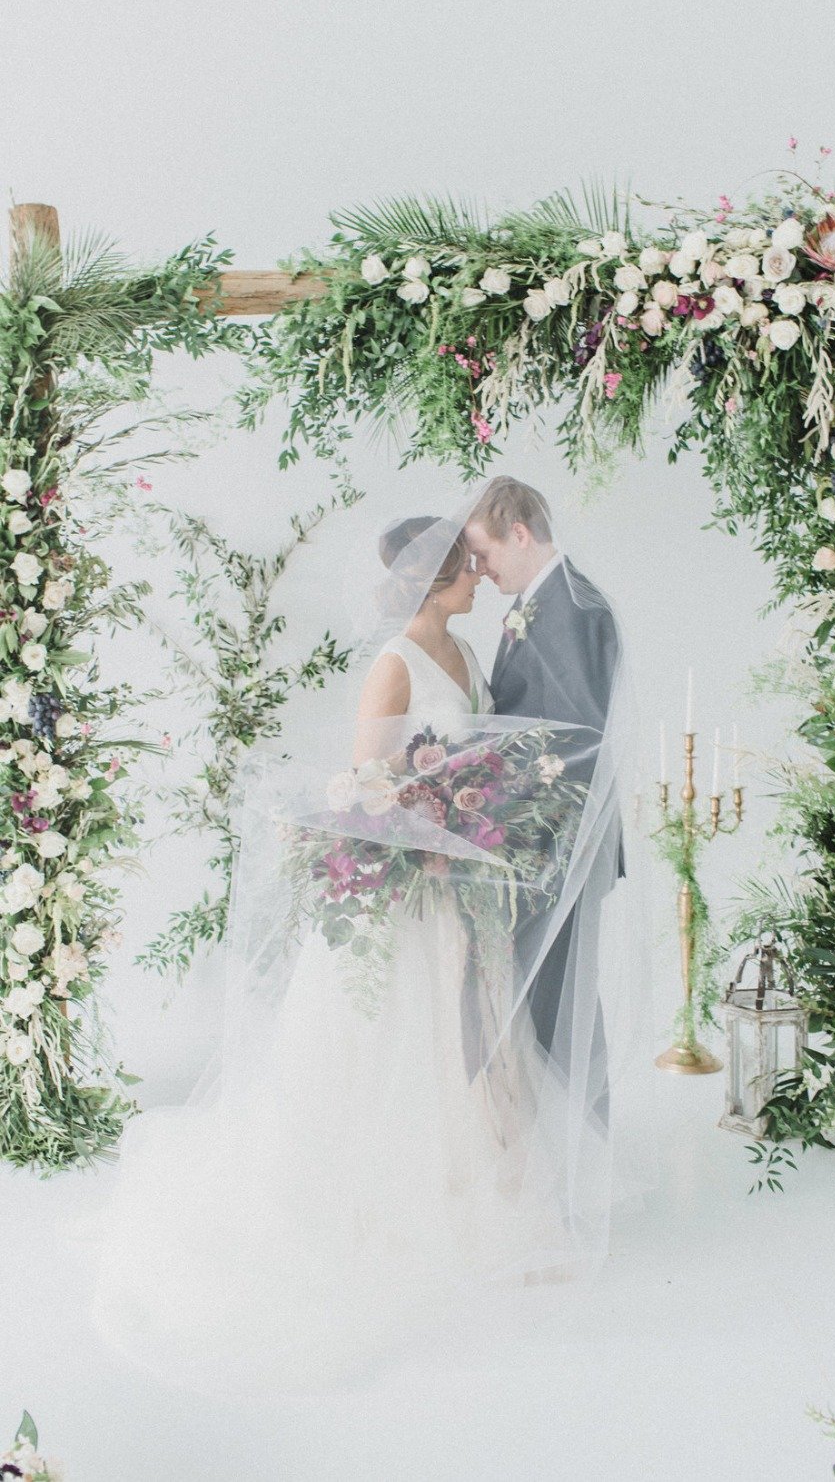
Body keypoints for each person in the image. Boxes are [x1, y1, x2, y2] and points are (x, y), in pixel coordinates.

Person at [69, 477, 656, 1395]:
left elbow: (515, 748)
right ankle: (385, 1203)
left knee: (473, 1041)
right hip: (420, 893)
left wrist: (473, 821)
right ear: (431, 578)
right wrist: (431, 825)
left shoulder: (465, 652)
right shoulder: (396, 664)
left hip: (473, 886)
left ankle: (493, 1190)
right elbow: (365, 792)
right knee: (407, 1046)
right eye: (462, 563)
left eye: (477, 554)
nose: (476, 571)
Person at [465, 476, 622, 1127]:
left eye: (485, 553)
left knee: (556, 998)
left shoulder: (572, 605)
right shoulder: (546, 598)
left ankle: (583, 1152)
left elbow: (579, 737)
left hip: (555, 839)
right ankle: (557, 1150)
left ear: (520, 533)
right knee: (541, 994)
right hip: (534, 839)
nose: (480, 568)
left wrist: (522, 827)